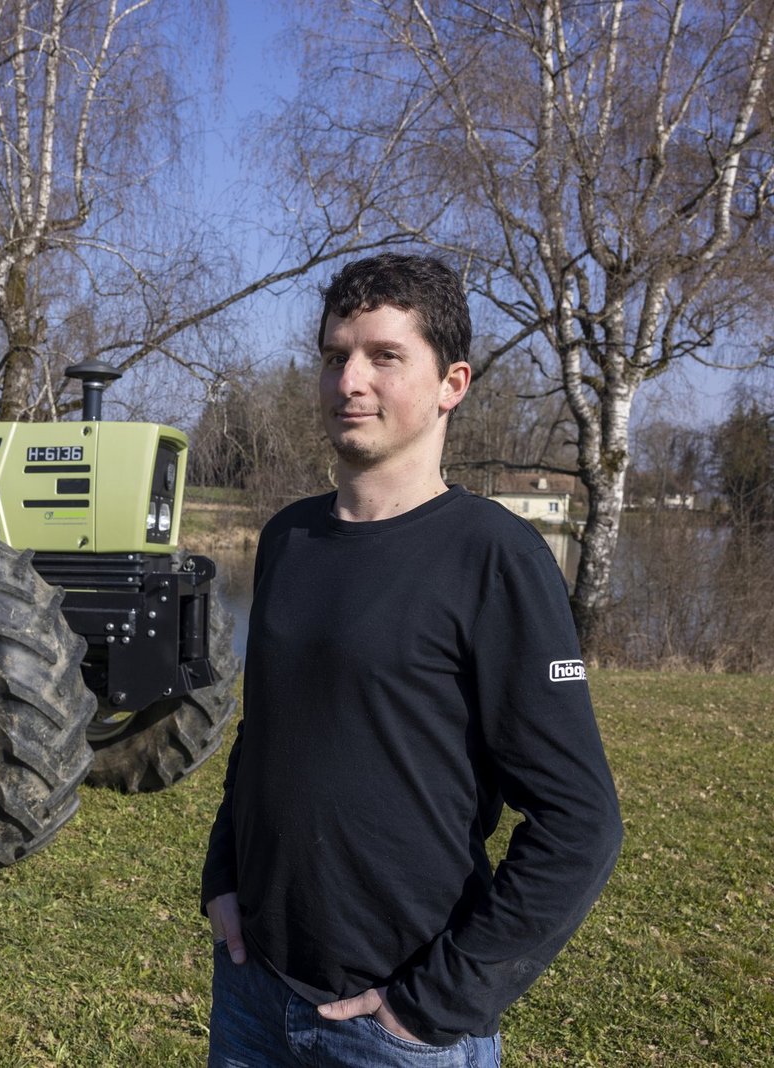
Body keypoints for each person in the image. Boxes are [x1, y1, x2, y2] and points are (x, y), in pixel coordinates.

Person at [201, 253, 623, 1067]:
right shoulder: (288, 538)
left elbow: (580, 823)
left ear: (451, 384)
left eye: (383, 356)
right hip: (254, 989)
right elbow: (266, 734)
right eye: (335, 355)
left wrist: (433, 1007)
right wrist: (223, 875)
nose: (349, 380)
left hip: (393, 1024)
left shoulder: (494, 557)